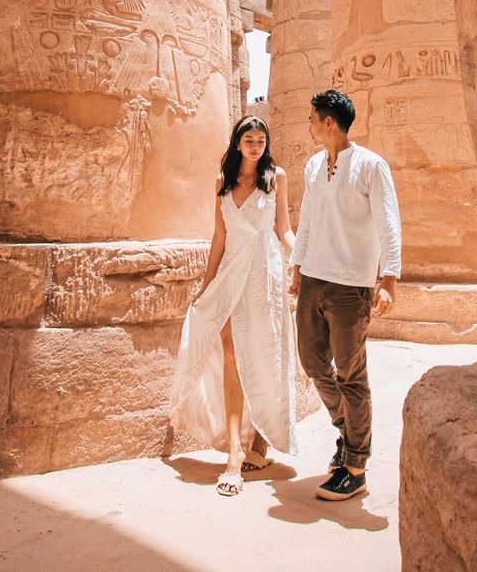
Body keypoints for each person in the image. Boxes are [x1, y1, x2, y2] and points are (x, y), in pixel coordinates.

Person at [169, 115, 297, 497]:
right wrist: (206, 286)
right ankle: (235, 454)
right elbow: (219, 237)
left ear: (265, 144)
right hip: (231, 277)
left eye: (261, 140)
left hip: (265, 277)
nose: (255, 146)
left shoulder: (277, 178)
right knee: (232, 359)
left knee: (263, 355)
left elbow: (283, 229)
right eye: (249, 140)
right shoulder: (221, 183)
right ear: (238, 143)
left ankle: (260, 444)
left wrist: (304, 260)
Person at [289, 89, 401, 501]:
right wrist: (298, 266)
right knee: (313, 362)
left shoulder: (372, 166)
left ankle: (355, 466)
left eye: (313, 118)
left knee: (352, 375)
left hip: (351, 284)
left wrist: (388, 279)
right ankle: (347, 431)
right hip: (314, 278)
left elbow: (388, 220)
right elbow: (308, 218)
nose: (310, 125)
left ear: (328, 123)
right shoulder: (314, 165)